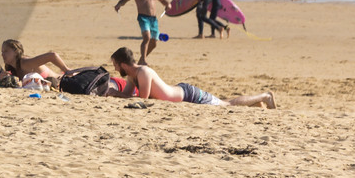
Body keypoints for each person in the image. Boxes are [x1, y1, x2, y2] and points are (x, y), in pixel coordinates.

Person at [111, 47, 275, 107]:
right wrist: (114, 93)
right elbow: (126, 95)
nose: (115, 69)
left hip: (189, 95)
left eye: (115, 65)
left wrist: (116, 94)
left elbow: (143, 99)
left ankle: (265, 96)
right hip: (182, 94)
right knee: (223, 102)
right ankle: (256, 104)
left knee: (227, 104)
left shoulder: (143, 72)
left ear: (123, 64)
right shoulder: (132, 76)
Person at [114, 0, 167, 65]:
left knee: (154, 42)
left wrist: (168, 4)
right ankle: (143, 60)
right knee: (147, 37)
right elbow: (125, 0)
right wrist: (119, 5)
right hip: (143, 17)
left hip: (153, 19)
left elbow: (162, 0)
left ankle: (141, 60)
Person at [0, 39, 70, 81]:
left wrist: (66, 70)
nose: (2, 54)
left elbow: (52, 55)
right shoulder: (11, 68)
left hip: (63, 80)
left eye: (6, 51)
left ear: (15, 52)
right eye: (2, 52)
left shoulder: (25, 62)